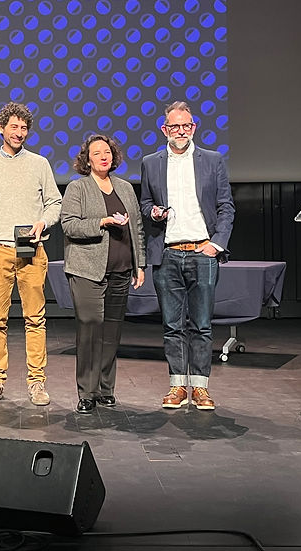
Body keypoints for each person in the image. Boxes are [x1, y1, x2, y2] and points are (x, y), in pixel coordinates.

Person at [140, 101, 234, 410]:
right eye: (175, 126)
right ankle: (178, 386)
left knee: (202, 325)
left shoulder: (212, 160)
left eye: (186, 126)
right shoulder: (151, 162)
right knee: (172, 325)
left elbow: (225, 206)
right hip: (168, 254)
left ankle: (201, 388)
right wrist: (153, 212)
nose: (181, 131)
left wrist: (216, 244)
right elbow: (145, 203)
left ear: (194, 128)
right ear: (164, 129)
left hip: (202, 251)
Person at [0, 102, 62, 406]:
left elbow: (55, 204)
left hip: (31, 251)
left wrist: (42, 222)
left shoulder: (39, 164)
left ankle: (37, 382)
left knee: (35, 318)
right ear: (1, 128)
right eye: (14, 127)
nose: (19, 132)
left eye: (24, 128)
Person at [61, 135, 146, 414]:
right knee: (90, 327)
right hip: (87, 270)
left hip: (121, 271)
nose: (103, 156)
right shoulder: (78, 188)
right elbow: (69, 225)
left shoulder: (125, 188)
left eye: (107, 152)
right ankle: (86, 391)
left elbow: (138, 230)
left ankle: (105, 389)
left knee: (111, 332)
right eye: (96, 153)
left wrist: (139, 265)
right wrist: (102, 222)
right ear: (87, 159)